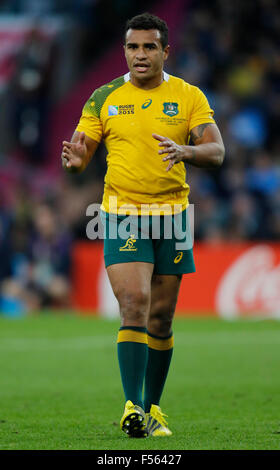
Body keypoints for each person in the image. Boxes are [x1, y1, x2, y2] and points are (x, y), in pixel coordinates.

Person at [61, 12, 225, 438]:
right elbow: (81, 152)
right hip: (121, 215)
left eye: (149, 46)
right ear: (125, 51)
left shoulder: (188, 96)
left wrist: (187, 152)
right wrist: (78, 164)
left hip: (173, 218)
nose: (140, 54)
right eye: (133, 47)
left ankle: (153, 410)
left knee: (162, 320)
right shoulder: (104, 97)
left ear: (165, 51)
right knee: (134, 303)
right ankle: (132, 408)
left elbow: (217, 150)